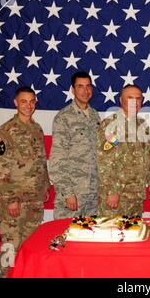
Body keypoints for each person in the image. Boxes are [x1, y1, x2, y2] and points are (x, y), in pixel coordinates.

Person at [0, 86, 50, 276]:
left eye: (32, 101)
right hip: (14, 201)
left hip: (34, 199)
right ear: (16, 103)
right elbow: (0, 169)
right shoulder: (5, 132)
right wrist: (10, 199)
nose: (28, 105)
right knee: (10, 244)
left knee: (30, 245)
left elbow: (41, 161)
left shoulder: (36, 128)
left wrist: (45, 186)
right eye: (24, 101)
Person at [97, 85, 150, 217]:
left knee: (134, 233)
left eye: (138, 99)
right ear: (120, 100)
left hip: (136, 194)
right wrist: (111, 191)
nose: (134, 102)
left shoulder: (143, 126)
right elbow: (104, 161)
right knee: (113, 233)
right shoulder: (111, 125)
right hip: (118, 195)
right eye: (130, 98)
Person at [49, 71, 100, 219]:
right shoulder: (63, 117)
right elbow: (58, 158)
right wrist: (67, 192)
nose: (86, 91)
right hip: (73, 194)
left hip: (92, 194)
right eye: (80, 86)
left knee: (89, 238)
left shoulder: (95, 116)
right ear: (73, 90)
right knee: (66, 235)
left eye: (88, 86)